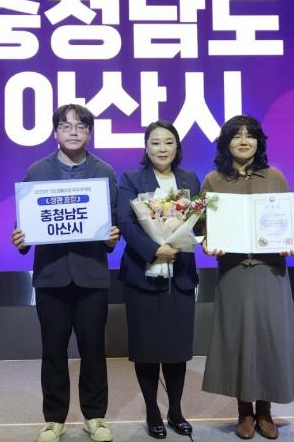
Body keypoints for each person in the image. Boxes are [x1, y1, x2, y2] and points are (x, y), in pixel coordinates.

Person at [11, 104, 120, 442]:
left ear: (89, 133)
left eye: (81, 126)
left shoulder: (104, 171)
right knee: (53, 349)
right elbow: (24, 224)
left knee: (93, 349)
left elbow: (113, 221)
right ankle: (54, 419)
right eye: (66, 125)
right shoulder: (37, 171)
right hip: (51, 276)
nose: (73, 131)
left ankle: (95, 416)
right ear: (55, 132)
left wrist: (112, 237)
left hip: (92, 276)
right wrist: (20, 239)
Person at [201, 115, 294, 440]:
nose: (244, 141)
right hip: (233, 273)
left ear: (259, 142)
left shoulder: (275, 177)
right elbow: (201, 225)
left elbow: (289, 221)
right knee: (238, 339)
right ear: (226, 143)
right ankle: (244, 410)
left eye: (250, 136)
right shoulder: (213, 180)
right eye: (237, 136)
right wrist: (207, 242)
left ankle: (265, 410)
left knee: (269, 339)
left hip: (270, 271)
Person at [117, 120, 201, 439]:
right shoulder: (130, 179)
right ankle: (152, 411)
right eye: (155, 142)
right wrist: (155, 250)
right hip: (143, 274)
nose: (162, 148)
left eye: (168, 142)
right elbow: (126, 222)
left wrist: (197, 237)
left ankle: (176, 411)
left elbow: (198, 222)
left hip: (181, 274)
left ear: (177, 147)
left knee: (177, 349)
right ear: (146, 147)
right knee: (147, 349)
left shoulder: (189, 178)